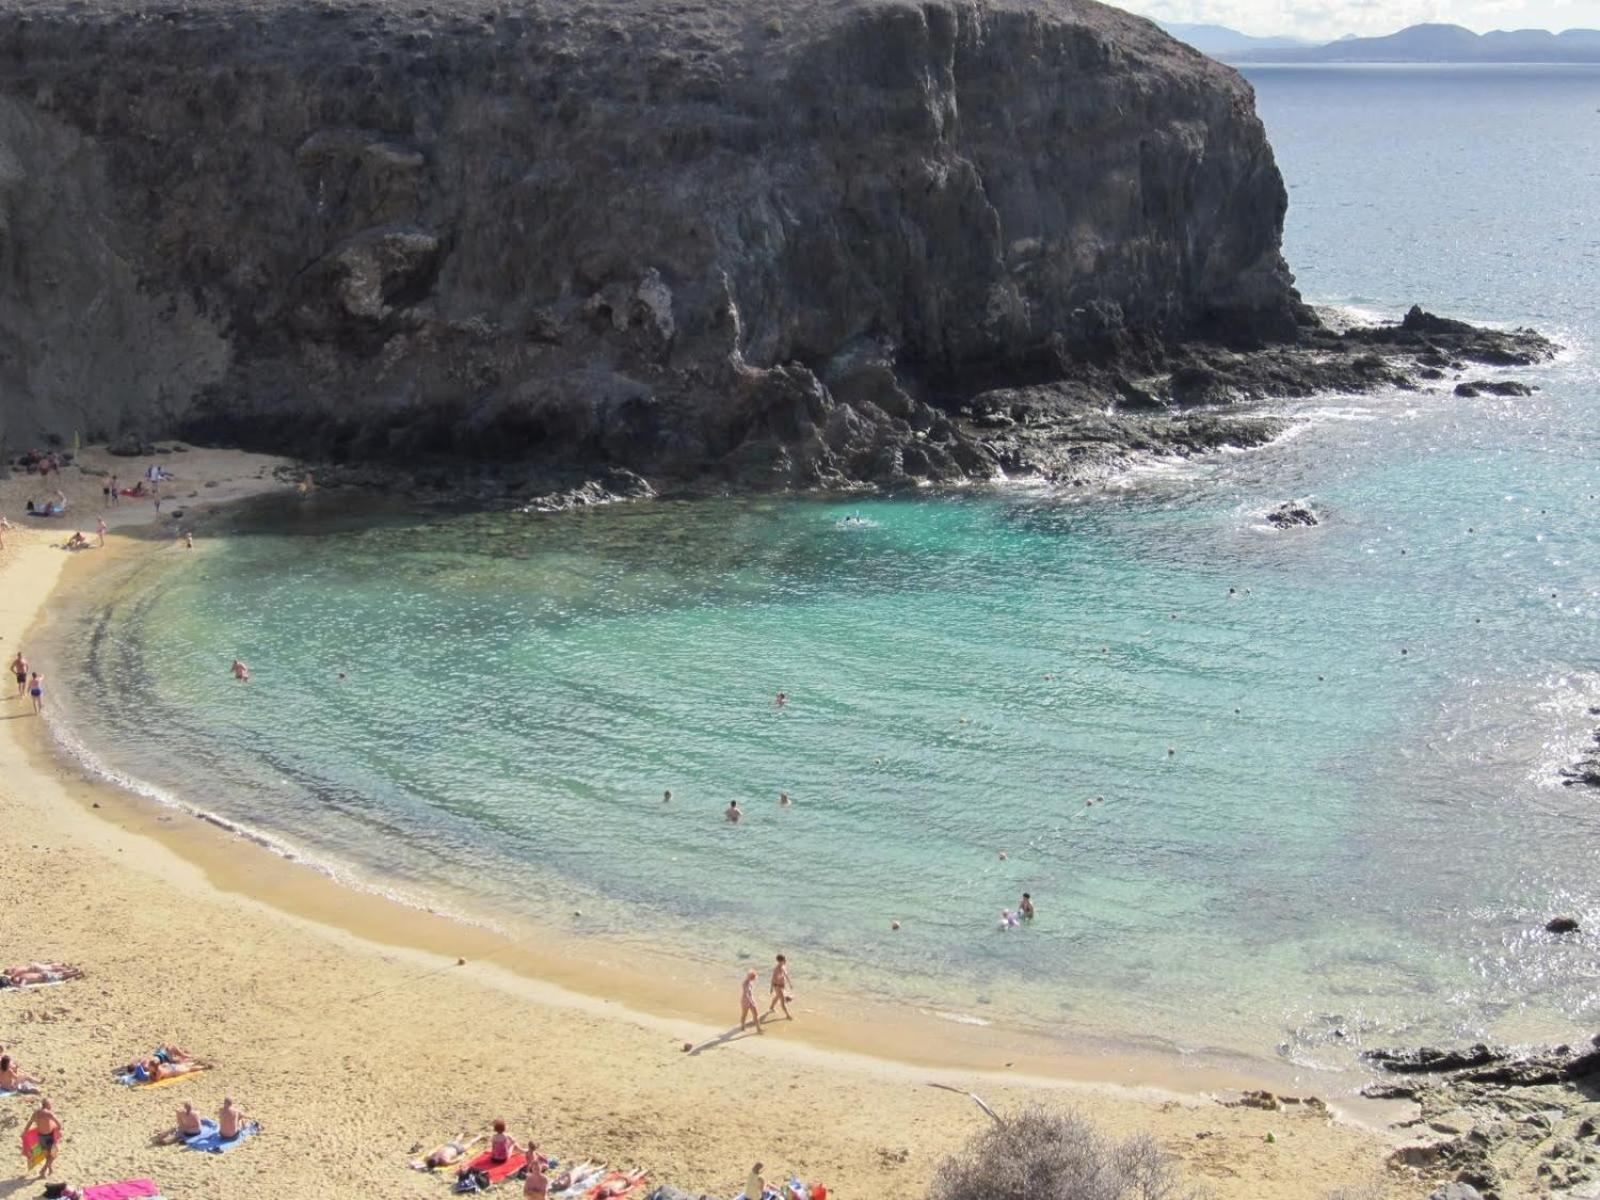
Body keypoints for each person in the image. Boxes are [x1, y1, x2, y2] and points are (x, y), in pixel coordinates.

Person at [26, 1098, 62, 1177]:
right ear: (48, 1105)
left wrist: (25, 1132)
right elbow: (59, 1125)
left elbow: (29, 1123)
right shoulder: (49, 1114)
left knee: (48, 1154)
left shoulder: (36, 1113)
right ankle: (44, 1169)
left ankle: (49, 1168)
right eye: (51, 1105)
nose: (52, 1106)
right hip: (49, 1137)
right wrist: (56, 1129)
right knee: (54, 1154)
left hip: (41, 1137)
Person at [767, 954, 792, 1021]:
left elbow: (785, 975)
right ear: (780, 961)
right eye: (784, 959)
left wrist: (789, 983)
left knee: (777, 997)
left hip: (782, 986)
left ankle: (771, 1007)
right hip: (777, 986)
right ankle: (787, 1015)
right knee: (782, 1001)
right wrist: (771, 988)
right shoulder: (776, 969)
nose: (786, 960)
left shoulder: (783, 966)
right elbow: (773, 979)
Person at [740, 968, 763, 1035]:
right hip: (745, 1000)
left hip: (750, 999)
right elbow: (746, 994)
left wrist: (752, 1000)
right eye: (753, 977)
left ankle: (758, 1029)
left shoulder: (750, 982)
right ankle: (742, 1026)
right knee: (744, 1014)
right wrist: (751, 1002)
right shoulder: (745, 983)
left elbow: (750, 993)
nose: (754, 978)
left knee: (756, 1014)